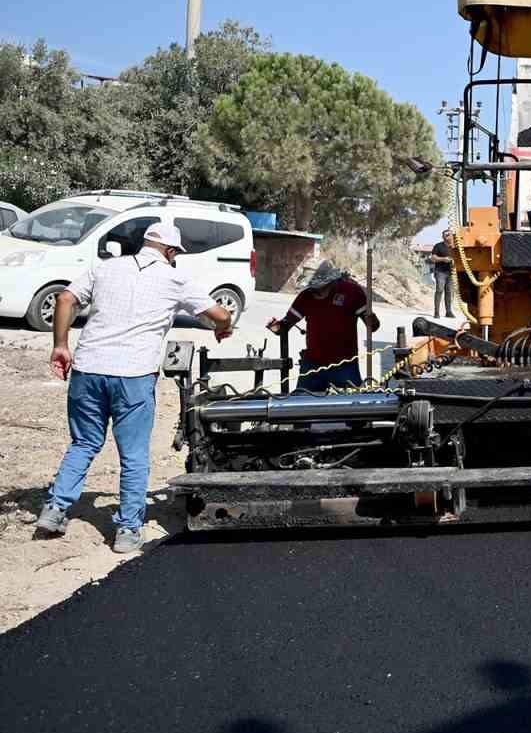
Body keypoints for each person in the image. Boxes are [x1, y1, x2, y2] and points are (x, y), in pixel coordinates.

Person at [33, 222, 234, 553]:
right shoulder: (174, 278)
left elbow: (66, 298)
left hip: (88, 370)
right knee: (134, 455)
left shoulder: (104, 268)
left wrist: (60, 344)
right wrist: (222, 327)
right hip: (133, 377)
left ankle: (54, 511)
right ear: (170, 252)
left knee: (83, 443)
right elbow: (219, 313)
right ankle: (127, 530)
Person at [268, 260, 380, 394]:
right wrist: (276, 327)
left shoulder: (352, 292)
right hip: (313, 365)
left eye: (319, 288)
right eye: (312, 289)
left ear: (331, 282)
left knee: (352, 406)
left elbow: (373, 327)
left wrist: (371, 319)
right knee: (300, 402)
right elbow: (285, 326)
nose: (314, 292)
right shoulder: (306, 296)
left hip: (345, 365)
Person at [430, 232, 456, 318]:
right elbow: (433, 258)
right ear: (443, 237)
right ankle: (436, 312)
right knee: (439, 290)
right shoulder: (438, 246)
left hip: (451, 272)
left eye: (449, 234)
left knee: (449, 292)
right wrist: (443, 259)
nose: (447, 236)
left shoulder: (455, 246)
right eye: (445, 234)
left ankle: (448, 312)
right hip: (440, 272)